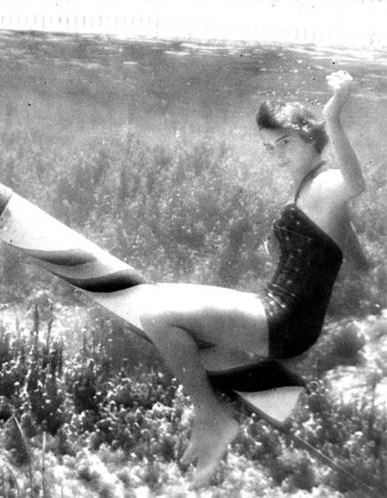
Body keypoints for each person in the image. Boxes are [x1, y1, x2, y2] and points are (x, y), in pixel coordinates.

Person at [140, 70, 367, 488]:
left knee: (157, 319)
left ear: (312, 138)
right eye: (268, 148)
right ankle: (255, 378)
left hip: (282, 321)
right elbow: (353, 251)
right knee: (161, 312)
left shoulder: (326, 184)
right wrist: (342, 255)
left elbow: (354, 183)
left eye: (285, 143)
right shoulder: (309, 191)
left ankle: (213, 417)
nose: (278, 155)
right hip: (282, 314)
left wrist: (334, 115)